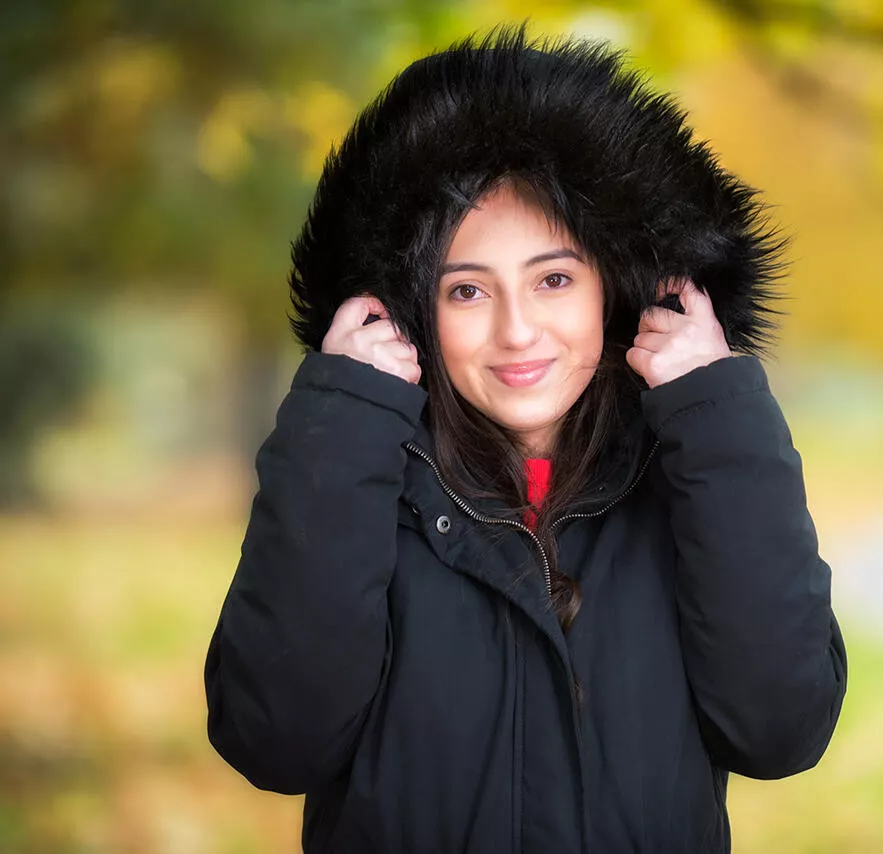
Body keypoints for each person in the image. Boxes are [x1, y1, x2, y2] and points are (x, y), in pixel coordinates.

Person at [204, 28, 847, 853]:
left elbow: (780, 729)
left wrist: (717, 414)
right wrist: (340, 427)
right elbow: (275, 741)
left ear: (616, 287)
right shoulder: (362, 479)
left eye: (553, 279)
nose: (517, 331)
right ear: (408, 311)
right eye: (467, 290)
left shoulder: (689, 478)